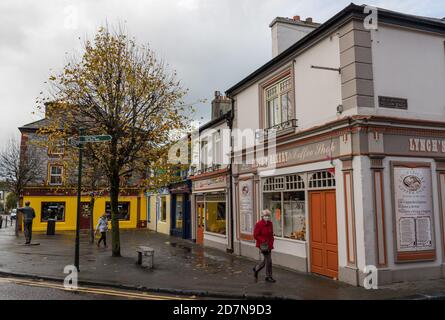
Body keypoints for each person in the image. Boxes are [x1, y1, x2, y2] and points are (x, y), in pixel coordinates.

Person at [253, 209, 276, 283]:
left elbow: (271, 234)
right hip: (262, 245)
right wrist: (263, 240)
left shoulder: (270, 223)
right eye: (265, 216)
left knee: (265, 260)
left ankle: (256, 268)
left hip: (269, 244)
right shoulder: (258, 224)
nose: (267, 217)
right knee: (269, 261)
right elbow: (255, 235)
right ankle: (268, 276)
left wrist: (272, 242)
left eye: (268, 216)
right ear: (262, 216)